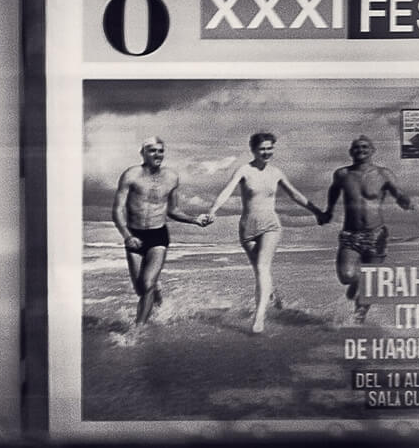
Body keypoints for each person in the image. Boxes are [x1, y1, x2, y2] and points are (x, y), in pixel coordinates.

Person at [207, 132, 326, 334]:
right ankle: (272, 294)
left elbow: (294, 194)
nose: (266, 152)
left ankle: (259, 317)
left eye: (269, 148)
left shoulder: (276, 173)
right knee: (261, 272)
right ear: (253, 150)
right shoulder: (244, 170)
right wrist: (213, 210)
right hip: (247, 228)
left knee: (262, 268)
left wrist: (316, 211)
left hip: (270, 225)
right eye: (262, 148)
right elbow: (227, 190)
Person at [112, 138, 212, 326]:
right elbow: (117, 210)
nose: (157, 154)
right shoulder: (131, 175)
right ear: (142, 153)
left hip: (158, 236)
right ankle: (158, 301)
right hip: (134, 236)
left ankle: (138, 329)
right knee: (141, 289)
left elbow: (172, 210)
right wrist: (127, 236)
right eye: (152, 151)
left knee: (147, 283)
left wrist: (195, 220)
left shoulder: (171, 177)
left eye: (160, 151)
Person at [320, 135, 413, 321]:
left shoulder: (383, 174)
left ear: (372, 150)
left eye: (364, 147)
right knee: (346, 276)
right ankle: (359, 282)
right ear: (350, 152)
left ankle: (357, 320)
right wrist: (328, 211)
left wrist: (404, 201)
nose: (360, 150)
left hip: (376, 234)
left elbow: (398, 192)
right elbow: (333, 191)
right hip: (350, 234)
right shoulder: (342, 174)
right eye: (356, 147)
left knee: (369, 286)